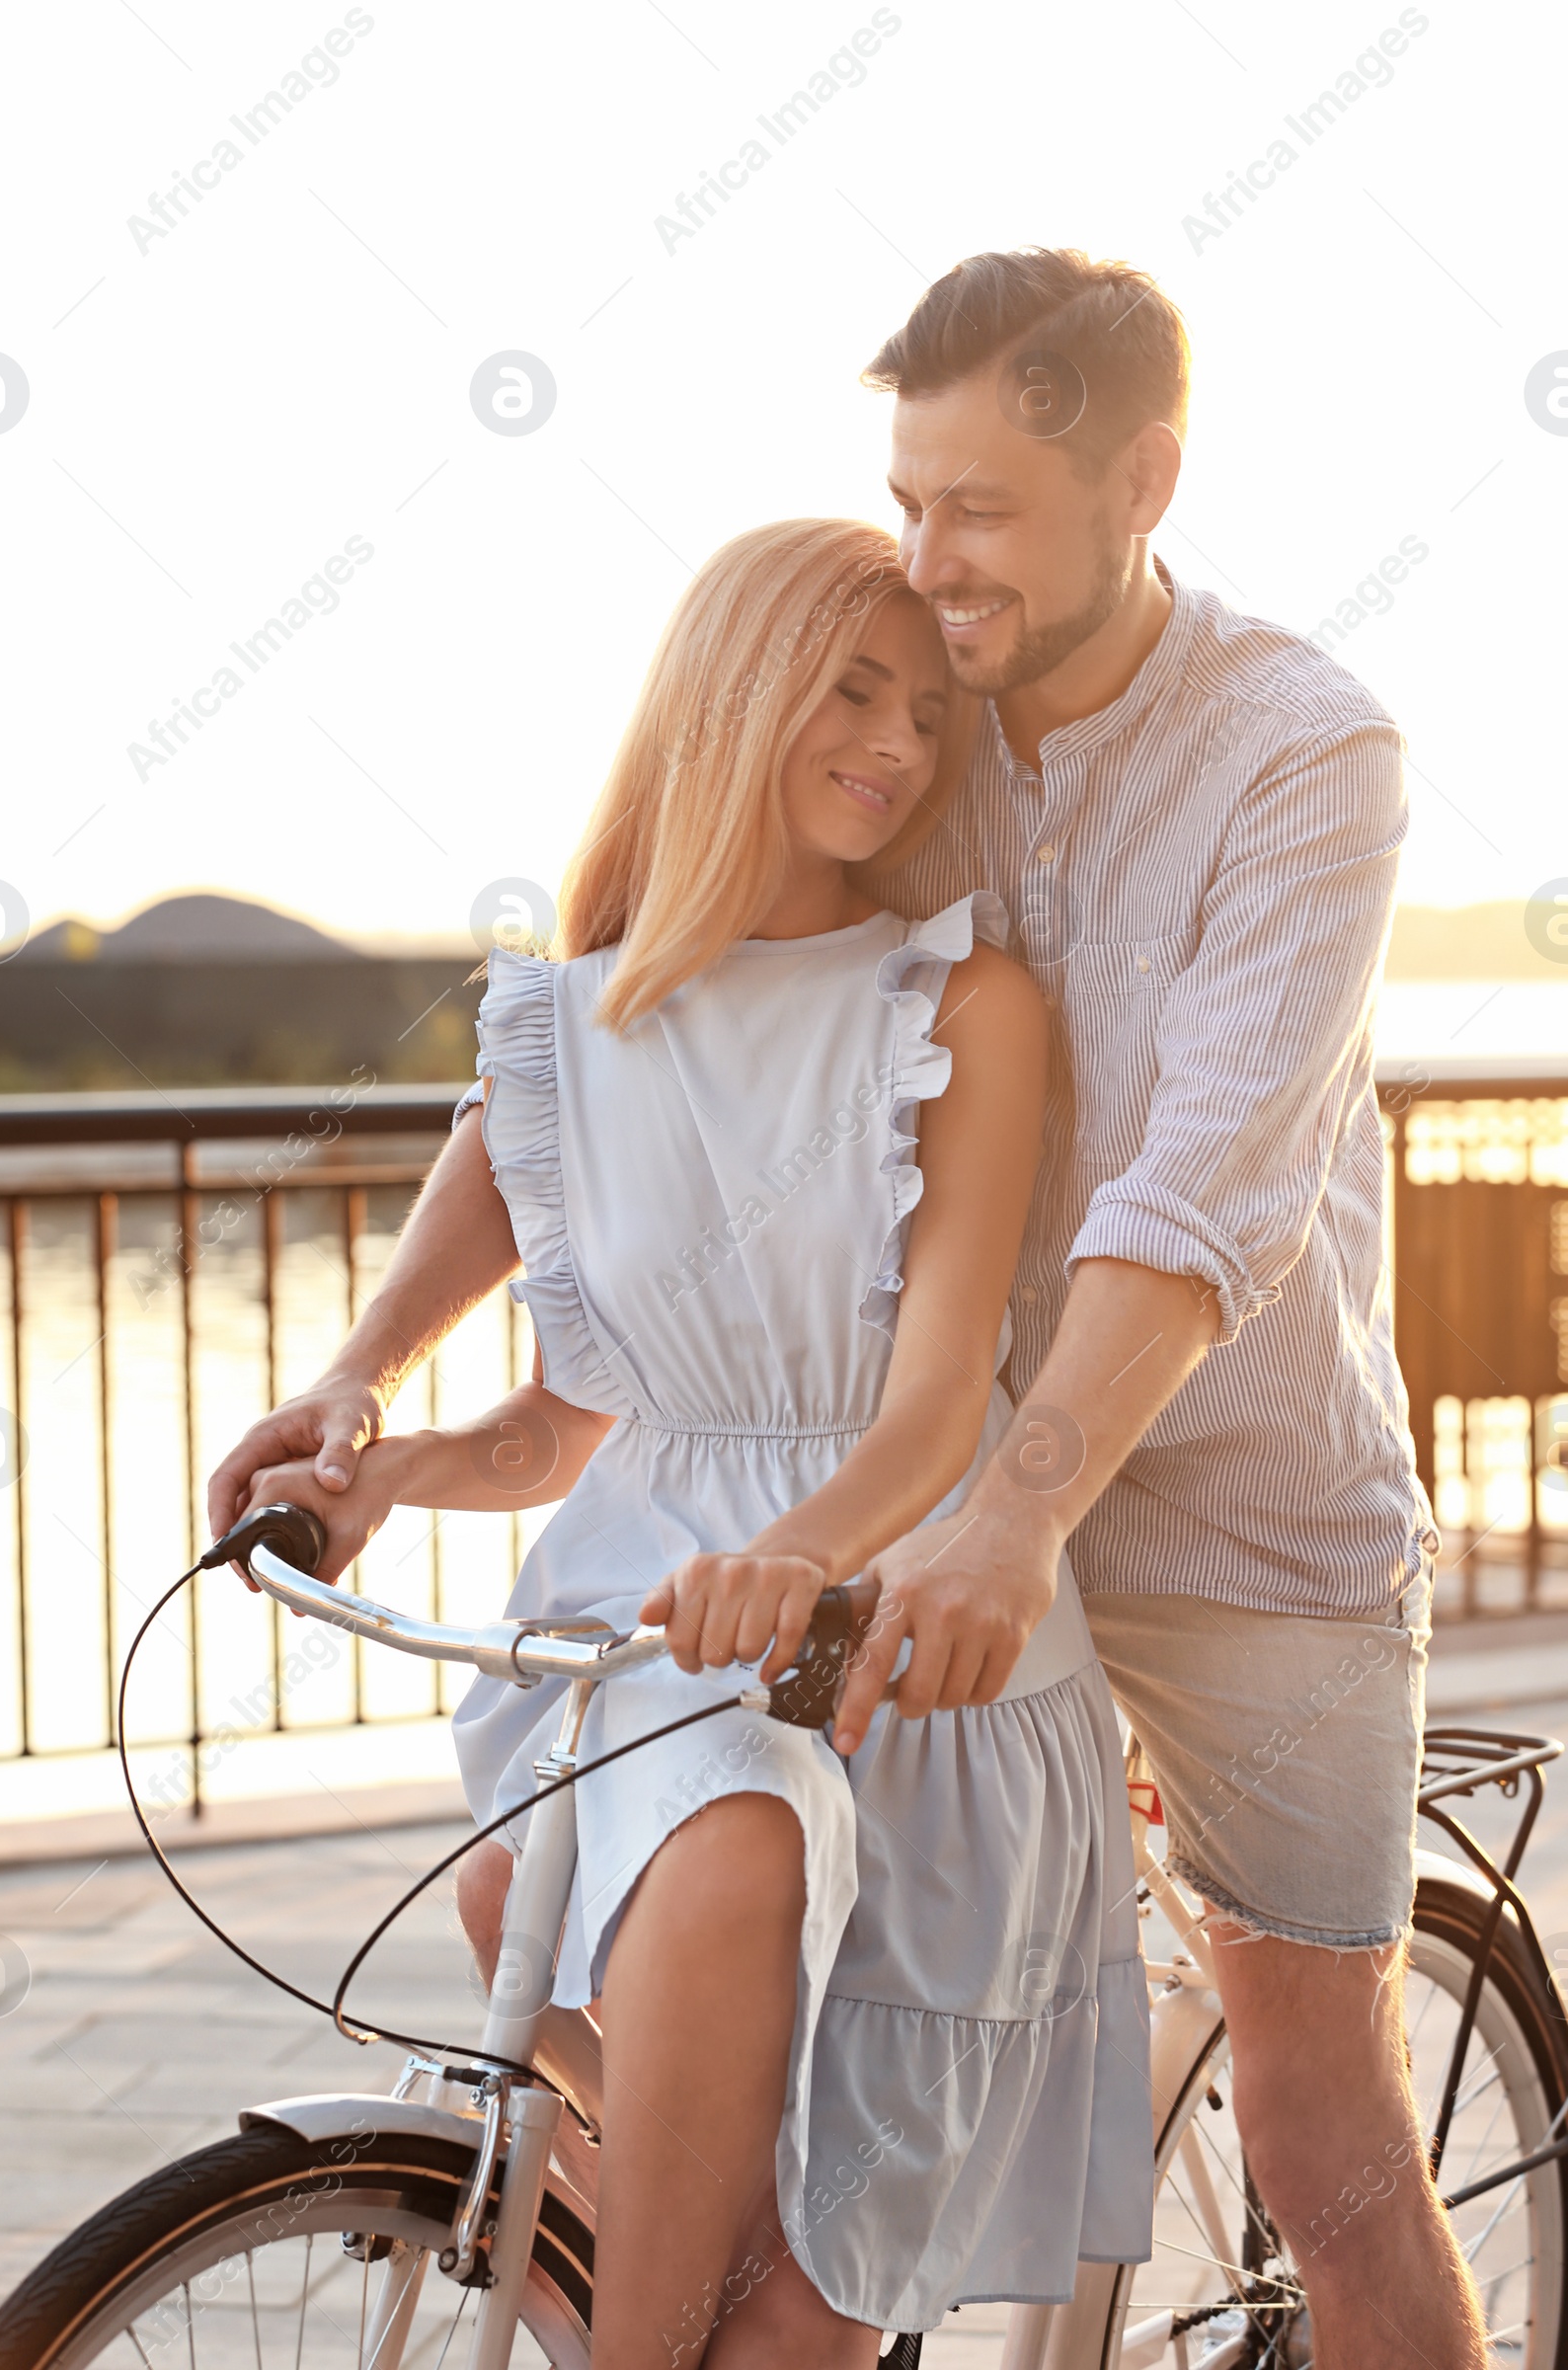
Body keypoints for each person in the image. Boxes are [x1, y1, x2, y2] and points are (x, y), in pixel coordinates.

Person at [212, 243, 1474, 2359]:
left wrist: (1005, 1512)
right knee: (608, 1905)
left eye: (975, 512)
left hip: (1221, 1510)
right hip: (920, 1525)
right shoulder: (919, 702)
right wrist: (365, 1376)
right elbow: (610, 1037)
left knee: (1313, 2117)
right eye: (907, 499)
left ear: (1140, 480)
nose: (928, 562)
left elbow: (1197, 1191)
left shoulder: (1300, 754)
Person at [228, 516, 1152, 2368]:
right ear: (731, 696)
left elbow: (935, 1407)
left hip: (895, 1651)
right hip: (649, 1648)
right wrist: (367, 1438)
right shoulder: (571, 1027)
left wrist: (797, 1554)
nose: (896, 745)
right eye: (850, 689)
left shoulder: (960, 1006)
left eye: (924, 716)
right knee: (654, 2060)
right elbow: (561, 1418)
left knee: (769, 2328)